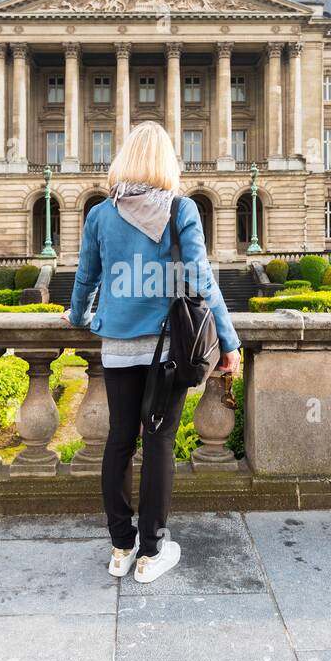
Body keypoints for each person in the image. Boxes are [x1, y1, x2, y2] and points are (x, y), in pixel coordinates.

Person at [64, 121, 240, 584]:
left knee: (120, 440)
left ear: (123, 159)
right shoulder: (181, 210)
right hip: (169, 350)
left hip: (118, 346)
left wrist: (79, 317)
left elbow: (85, 277)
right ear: (168, 163)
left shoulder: (101, 214)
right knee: (159, 442)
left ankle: (120, 547)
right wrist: (229, 340)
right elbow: (201, 282)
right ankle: (151, 552)